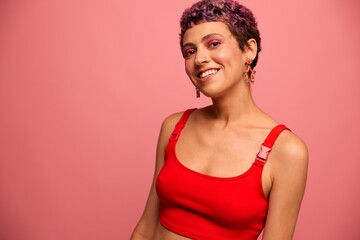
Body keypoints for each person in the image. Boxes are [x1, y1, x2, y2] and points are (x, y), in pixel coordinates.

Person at [131, 0, 308, 239]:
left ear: (249, 50)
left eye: (213, 44)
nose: (199, 59)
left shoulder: (286, 151)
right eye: (189, 51)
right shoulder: (174, 127)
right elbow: (145, 229)